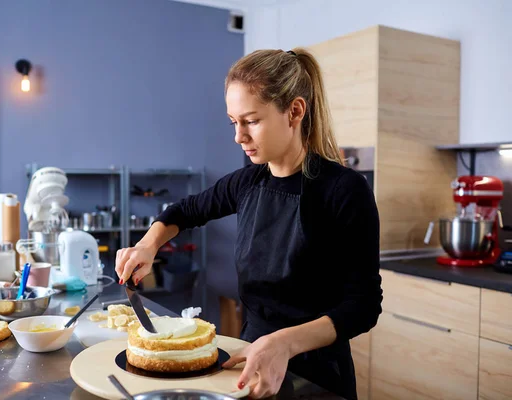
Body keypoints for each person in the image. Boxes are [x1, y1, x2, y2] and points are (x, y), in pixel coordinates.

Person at [115, 47, 383, 400]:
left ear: (295, 112)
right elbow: (184, 211)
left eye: (251, 121)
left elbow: (363, 306)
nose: (238, 137)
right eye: (233, 122)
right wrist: (147, 245)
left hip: (317, 375)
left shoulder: (344, 190)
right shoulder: (247, 182)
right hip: (250, 362)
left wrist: (284, 343)